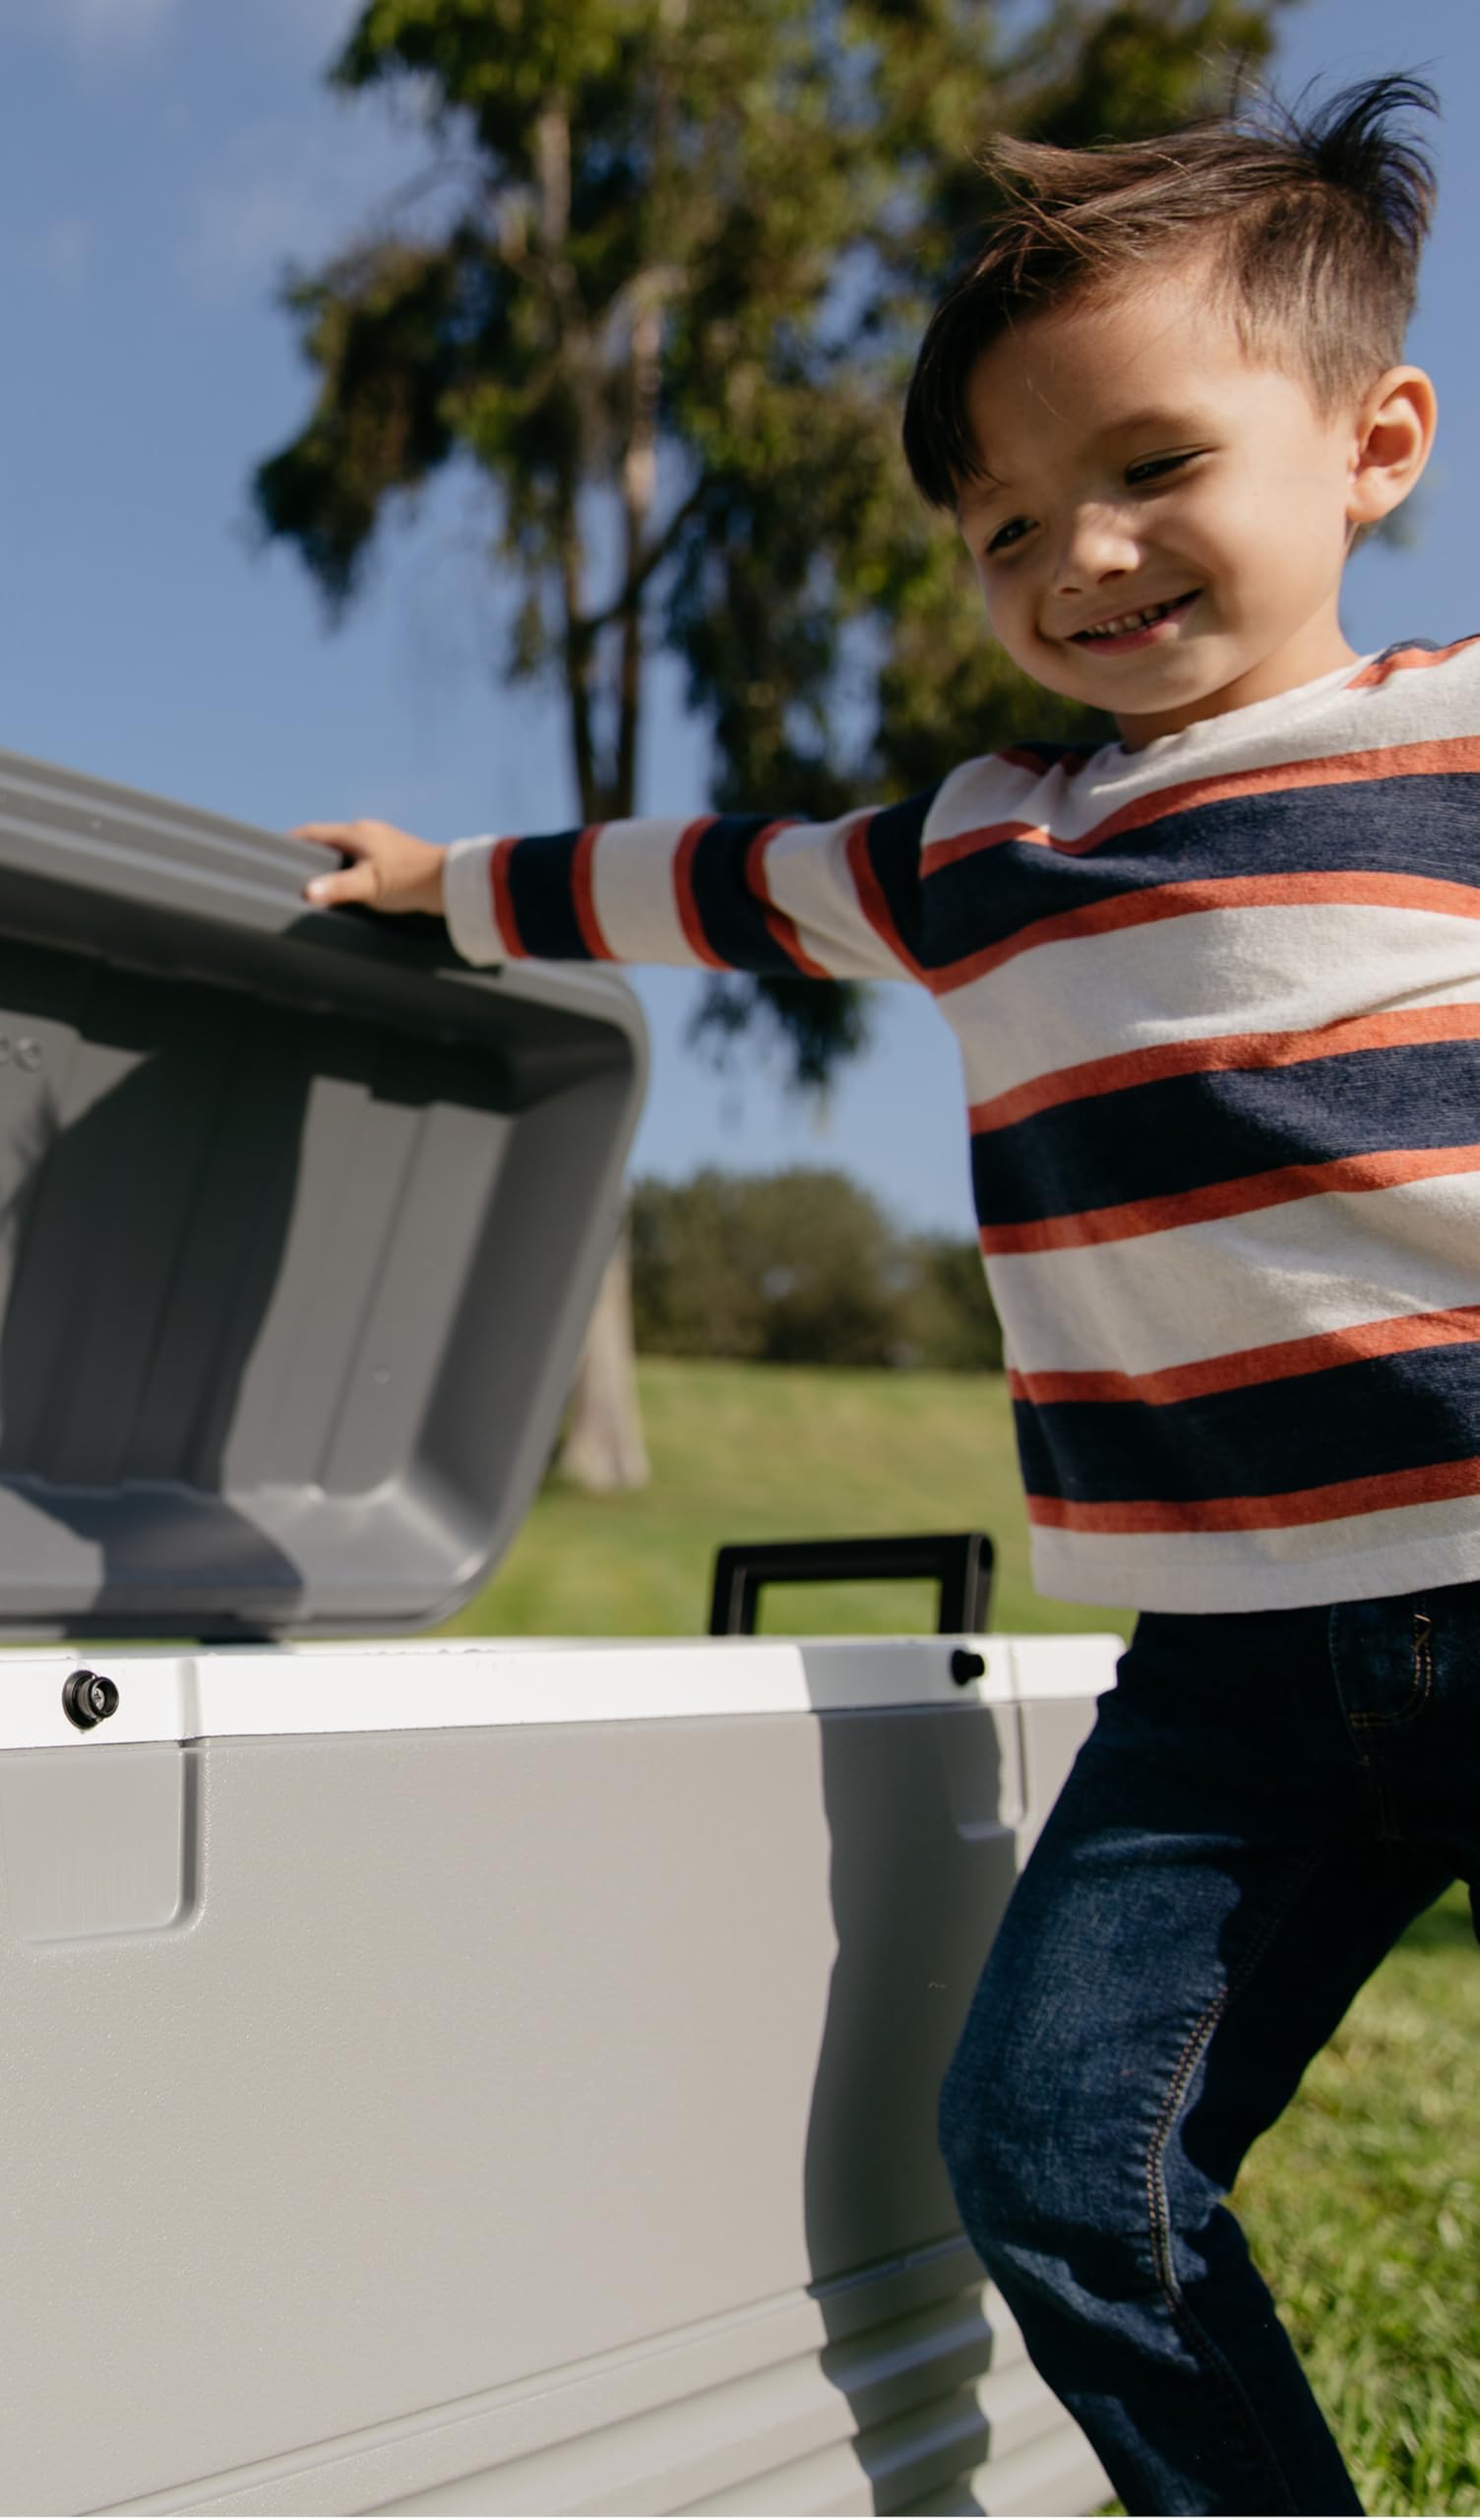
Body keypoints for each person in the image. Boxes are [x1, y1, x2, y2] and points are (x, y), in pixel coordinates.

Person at [294, 77, 1463, 2519]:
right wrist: (443, 883)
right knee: (1053, 2157)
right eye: (1003, 521)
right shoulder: (972, 854)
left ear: (1372, 444)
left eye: (1148, 464)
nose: (1078, 553)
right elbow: (703, 879)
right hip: (1226, 1675)